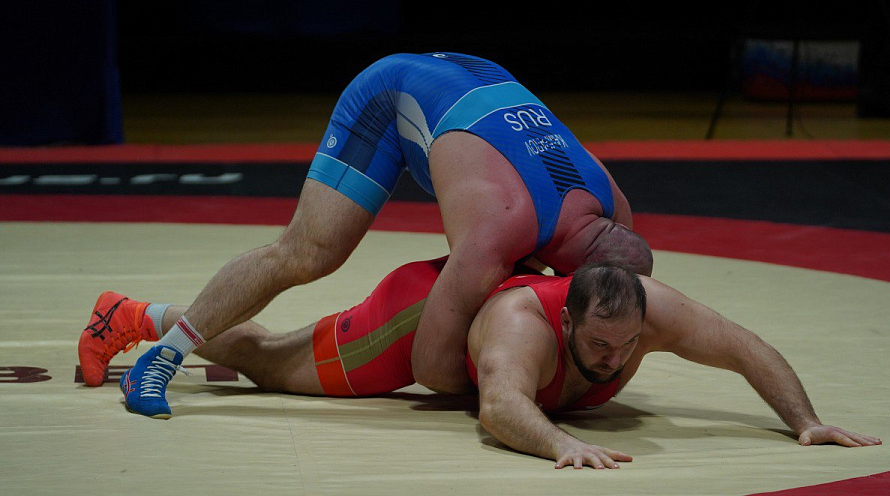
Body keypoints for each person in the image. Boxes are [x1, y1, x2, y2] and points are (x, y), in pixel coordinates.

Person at [83, 52, 653, 417]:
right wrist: (517, 383)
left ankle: (135, 316)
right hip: (393, 97)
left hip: (474, 84)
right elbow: (432, 368)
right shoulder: (496, 230)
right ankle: (164, 358)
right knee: (307, 253)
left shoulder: (615, 210)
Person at [79, 258, 880, 468]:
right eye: (598, 346)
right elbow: (499, 409)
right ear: (566, 321)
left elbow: (745, 346)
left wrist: (803, 421)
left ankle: (141, 317)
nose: (615, 361)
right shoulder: (523, 330)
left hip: (480, 319)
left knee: (268, 357)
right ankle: (134, 316)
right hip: (414, 318)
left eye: (629, 345)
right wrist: (561, 443)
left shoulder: (643, 311)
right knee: (266, 362)